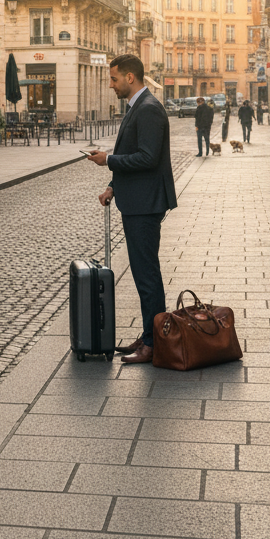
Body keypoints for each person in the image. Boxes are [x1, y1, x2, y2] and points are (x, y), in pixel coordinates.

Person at [85, 54, 177, 365]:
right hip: (137, 198)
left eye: (113, 79)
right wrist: (114, 185)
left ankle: (155, 343)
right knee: (143, 272)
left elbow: (148, 158)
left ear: (130, 78)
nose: (110, 85)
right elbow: (134, 153)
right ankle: (150, 335)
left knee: (146, 273)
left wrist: (108, 159)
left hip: (146, 204)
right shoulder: (138, 106)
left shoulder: (148, 109)